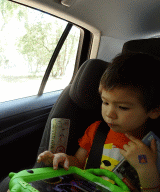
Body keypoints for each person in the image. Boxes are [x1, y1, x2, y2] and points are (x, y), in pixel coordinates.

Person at [37, 52, 160, 191]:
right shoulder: (97, 131)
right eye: (105, 102)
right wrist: (62, 159)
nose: (109, 114)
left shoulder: (152, 148)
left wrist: (146, 168)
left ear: (154, 111)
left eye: (123, 107)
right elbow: (78, 163)